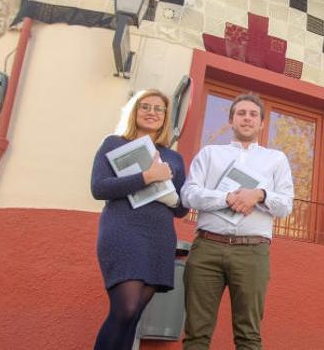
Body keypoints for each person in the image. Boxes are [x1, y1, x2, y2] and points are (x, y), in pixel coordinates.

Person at [181, 93, 294, 349]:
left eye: (253, 114)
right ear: (231, 120)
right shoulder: (210, 154)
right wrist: (227, 197)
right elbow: (188, 195)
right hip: (207, 249)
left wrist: (260, 195)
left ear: (262, 124)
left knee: (249, 335)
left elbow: (286, 205)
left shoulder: (276, 160)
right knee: (196, 333)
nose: (247, 118)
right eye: (241, 113)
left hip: (252, 251)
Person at [91, 89, 189, 350]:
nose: (152, 112)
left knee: (133, 317)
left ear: (165, 117)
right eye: (145, 106)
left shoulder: (174, 157)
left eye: (159, 109)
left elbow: (180, 209)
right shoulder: (114, 144)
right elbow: (99, 188)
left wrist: (171, 193)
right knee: (125, 308)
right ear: (134, 111)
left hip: (158, 238)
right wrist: (148, 177)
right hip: (122, 230)